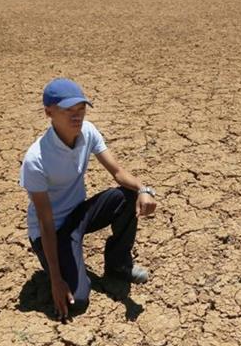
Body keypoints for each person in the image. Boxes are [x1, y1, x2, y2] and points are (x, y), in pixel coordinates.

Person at [19, 78, 157, 321]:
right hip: (50, 230)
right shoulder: (36, 159)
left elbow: (118, 172)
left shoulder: (88, 132)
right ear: (48, 112)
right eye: (68, 111)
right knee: (78, 300)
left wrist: (144, 189)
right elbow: (46, 222)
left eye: (81, 110)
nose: (77, 117)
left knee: (127, 195)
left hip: (79, 214)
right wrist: (56, 279)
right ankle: (55, 269)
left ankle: (118, 267)